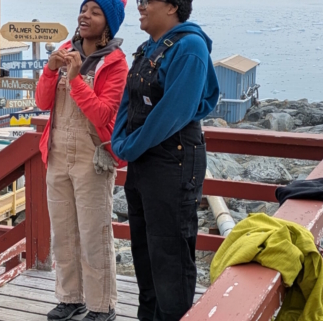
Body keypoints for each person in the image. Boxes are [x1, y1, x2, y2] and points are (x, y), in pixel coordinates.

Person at [110, 0, 219, 320]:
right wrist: (121, 140)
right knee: (144, 253)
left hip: (174, 161)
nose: (140, 6)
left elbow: (173, 112)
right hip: (143, 161)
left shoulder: (190, 47)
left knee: (170, 257)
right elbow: (127, 103)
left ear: (172, 6)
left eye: (147, 1)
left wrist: (128, 147)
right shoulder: (148, 49)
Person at [34, 0, 129, 320]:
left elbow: (103, 114)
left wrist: (74, 78)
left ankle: (103, 305)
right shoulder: (64, 50)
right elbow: (42, 102)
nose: (85, 16)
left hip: (92, 156)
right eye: (84, 8)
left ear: (109, 24)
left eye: (96, 12)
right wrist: (50, 70)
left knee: (94, 233)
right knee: (62, 231)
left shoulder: (115, 63)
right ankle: (70, 298)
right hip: (58, 152)